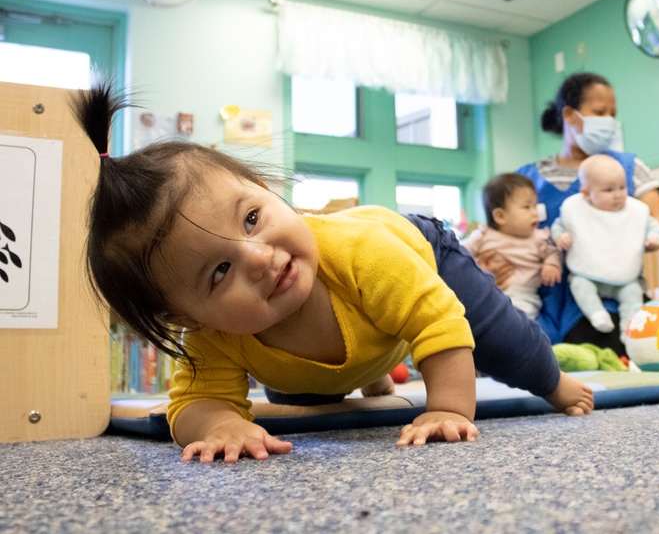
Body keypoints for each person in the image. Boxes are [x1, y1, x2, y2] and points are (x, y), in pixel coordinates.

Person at [71, 82, 593, 464]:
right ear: (186, 316)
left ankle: (557, 381)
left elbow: (438, 322)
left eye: (253, 218)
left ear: (266, 187)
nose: (259, 257)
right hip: (360, 332)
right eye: (219, 272)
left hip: (423, 255)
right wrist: (225, 424)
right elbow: (193, 403)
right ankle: (375, 371)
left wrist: (448, 410)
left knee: (510, 347)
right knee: (298, 398)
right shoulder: (211, 338)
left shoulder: (360, 252)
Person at [478, 73, 659, 356]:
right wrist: (488, 266)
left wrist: (634, 235)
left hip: (613, 296)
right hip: (541, 304)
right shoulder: (526, 179)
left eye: (613, 114)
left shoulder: (628, 168)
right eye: (600, 112)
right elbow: (493, 238)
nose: (609, 121)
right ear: (570, 115)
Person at [550, 155, 659, 340]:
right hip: (587, 273)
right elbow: (559, 226)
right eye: (609, 190)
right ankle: (596, 314)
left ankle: (630, 328)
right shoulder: (575, 208)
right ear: (587, 193)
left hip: (625, 278)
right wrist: (561, 236)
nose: (618, 194)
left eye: (622, 187)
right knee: (579, 285)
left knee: (633, 293)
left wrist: (655, 238)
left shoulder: (634, 211)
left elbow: (653, 226)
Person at [461, 173, 562, 320]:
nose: (535, 213)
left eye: (535, 205)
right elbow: (459, 254)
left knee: (517, 322)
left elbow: (553, 252)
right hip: (483, 293)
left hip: (522, 295)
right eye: (527, 207)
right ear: (500, 216)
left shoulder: (538, 237)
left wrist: (552, 265)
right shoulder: (483, 235)